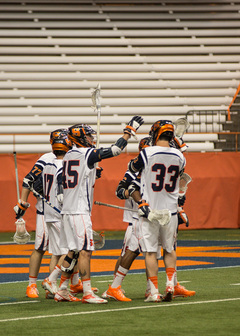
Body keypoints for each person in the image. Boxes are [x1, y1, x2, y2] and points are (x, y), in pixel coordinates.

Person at [54, 116, 144, 303]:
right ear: (80, 138)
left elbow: (68, 177)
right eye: (88, 136)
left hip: (68, 211)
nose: (91, 139)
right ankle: (87, 292)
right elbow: (116, 150)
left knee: (74, 251)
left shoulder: (69, 155)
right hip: (79, 210)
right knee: (85, 251)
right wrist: (128, 132)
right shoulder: (85, 153)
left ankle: (61, 288)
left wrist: (92, 172)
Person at [127, 119, 186, 302]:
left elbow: (132, 169)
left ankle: (154, 291)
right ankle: (170, 283)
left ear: (155, 134)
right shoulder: (180, 156)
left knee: (151, 252)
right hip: (171, 211)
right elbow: (180, 176)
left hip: (150, 210)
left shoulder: (147, 152)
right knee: (169, 249)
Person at [13, 129, 69, 298]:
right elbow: (29, 179)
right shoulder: (47, 158)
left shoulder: (69, 157)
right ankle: (32, 284)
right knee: (41, 247)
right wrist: (22, 202)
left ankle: (57, 287)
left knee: (60, 251)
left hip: (63, 210)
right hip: (46, 209)